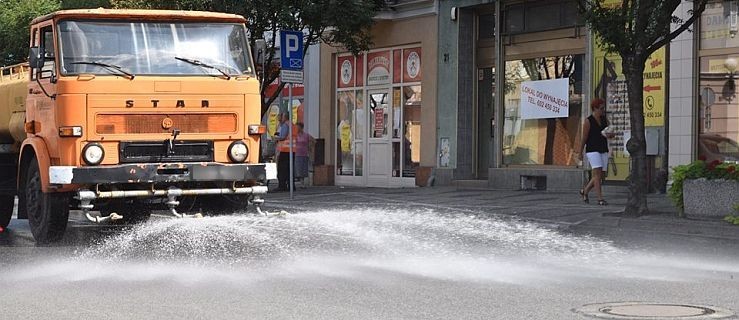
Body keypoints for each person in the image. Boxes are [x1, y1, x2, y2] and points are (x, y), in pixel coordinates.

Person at [577, 98, 614, 205]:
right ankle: (600, 198)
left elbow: (611, 133)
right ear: (595, 108)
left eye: (603, 108)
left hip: (603, 148)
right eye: (601, 108)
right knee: (597, 173)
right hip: (592, 149)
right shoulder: (588, 121)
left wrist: (610, 135)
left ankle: (585, 191)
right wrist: (580, 152)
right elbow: (584, 138)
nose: (603, 111)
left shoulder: (604, 119)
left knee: (601, 175)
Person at [274, 112, 295, 191]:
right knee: (289, 169)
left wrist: (276, 138)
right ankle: (291, 186)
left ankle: (282, 186)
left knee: (282, 169)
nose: (280, 118)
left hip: (285, 150)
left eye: (281, 117)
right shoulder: (292, 125)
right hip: (291, 150)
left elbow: (282, 137)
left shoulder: (285, 125)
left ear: (285, 117)